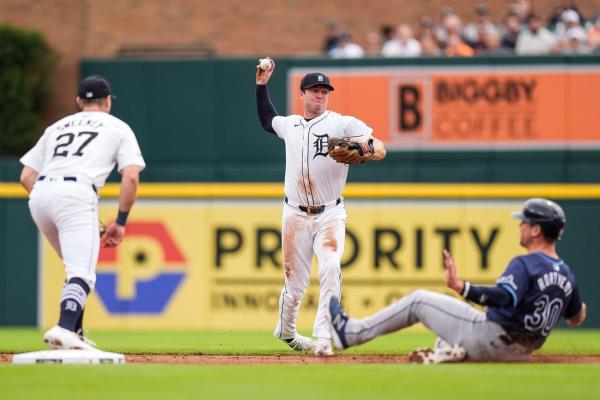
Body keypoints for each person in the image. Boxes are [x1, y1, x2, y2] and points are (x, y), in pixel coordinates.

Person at [328, 198, 587, 363]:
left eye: (524, 222)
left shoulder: (525, 264)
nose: (520, 226)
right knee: (451, 327)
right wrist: (575, 308)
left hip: (490, 339)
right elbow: (576, 317)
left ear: (536, 230)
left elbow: (504, 297)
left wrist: (462, 287)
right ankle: (451, 352)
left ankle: (350, 333)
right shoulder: (567, 275)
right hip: (520, 354)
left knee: (418, 300)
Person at [255, 58, 386, 356]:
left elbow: (380, 146)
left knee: (330, 266)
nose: (320, 95)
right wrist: (261, 84)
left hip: (330, 213)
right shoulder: (291, 125)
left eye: (324, 90)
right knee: (294, 285)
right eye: (314, 90)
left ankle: (323, 337)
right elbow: (266, 120)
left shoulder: (342, 123)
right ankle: (286, 332)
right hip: (294, 214)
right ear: (301, 94)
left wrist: (365, 149)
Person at [19, 75, 146, 351]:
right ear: (108, 101)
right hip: (76, 193)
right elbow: (131, 177)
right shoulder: (117, 126)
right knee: (82, 271)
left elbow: (26, 175)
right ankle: (64, 328)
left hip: (39, 194)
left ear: (79, 101)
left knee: (76, 266)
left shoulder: (56, 127)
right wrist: (120, 223)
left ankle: (74, 332)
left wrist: (50, 198)